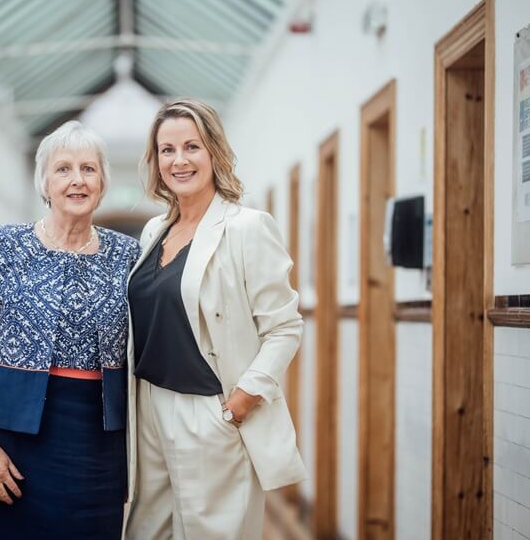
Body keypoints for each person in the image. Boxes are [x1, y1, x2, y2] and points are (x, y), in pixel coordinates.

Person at [0, 120, 140, 539]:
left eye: (89, 169)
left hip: (96, 446)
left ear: (103, 182)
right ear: (44, 183)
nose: (77, 180)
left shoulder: (128, 255)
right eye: (63, 169)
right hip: (10, 440)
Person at [125, 99, 306, 539]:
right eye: (167, 150)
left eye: (192, 146)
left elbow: (284, 327)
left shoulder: (247, 227)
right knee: (148, 531)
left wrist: (243, 398)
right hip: (149, 405)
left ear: (214, 152)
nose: (179, 160)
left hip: (209, 409)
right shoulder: (153, 231)